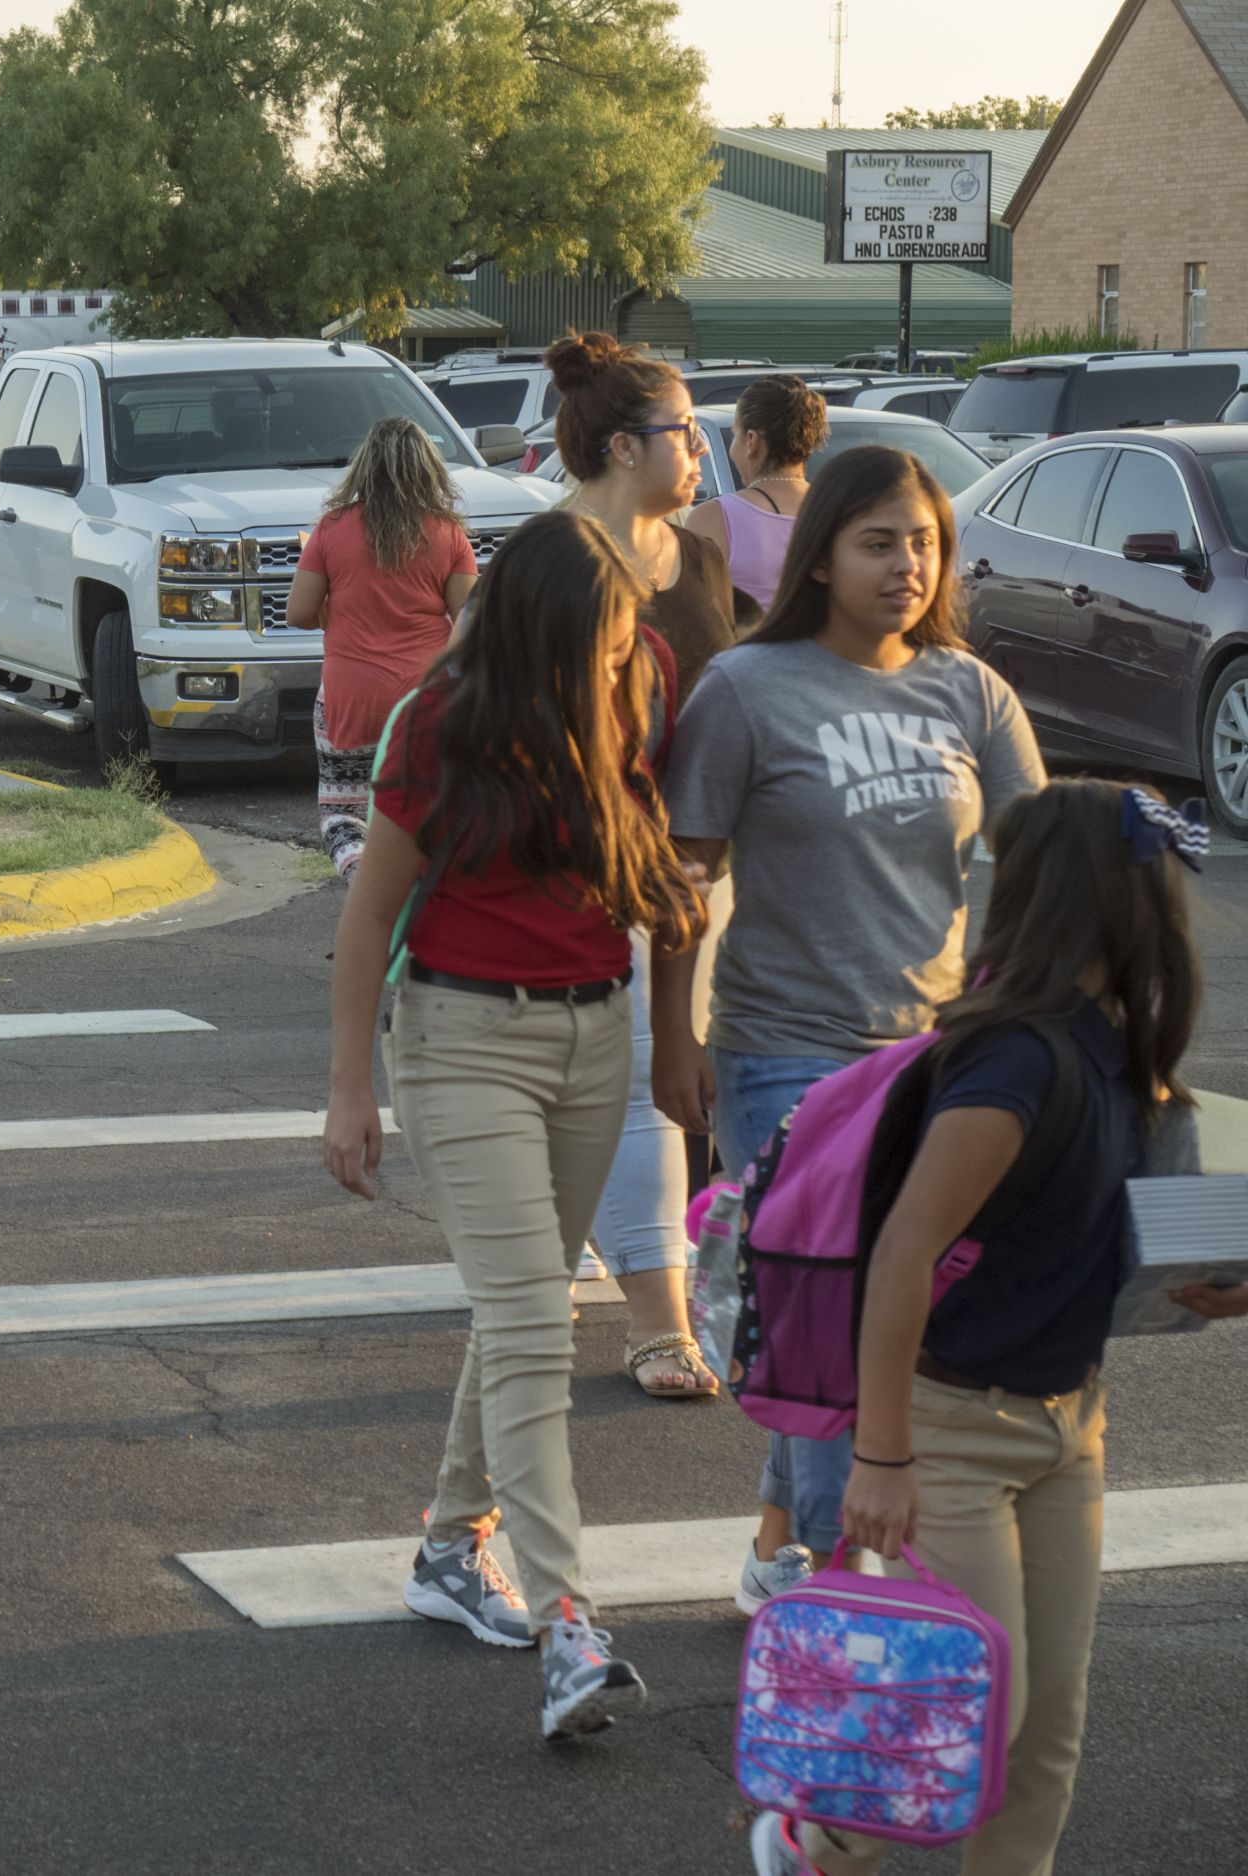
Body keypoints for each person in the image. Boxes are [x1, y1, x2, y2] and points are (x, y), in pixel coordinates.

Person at [750, 777, 1204, 1876]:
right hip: (949, 1427)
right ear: (1109, 897)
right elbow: (904, 1250)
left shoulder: (1112, 1049)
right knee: (972, 1714)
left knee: (1045, 1730)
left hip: (1064, 1421)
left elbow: (1081, 1245)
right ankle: (816, 1838)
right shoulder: (1018, 1061)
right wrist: (882, 1452)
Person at [323, 509, 706, 1738]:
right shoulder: (445, 721)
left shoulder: (639, 675)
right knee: (536, 1316)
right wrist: (347, 1088)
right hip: (458, 1036)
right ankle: (566, 1620)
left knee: (526, 1300)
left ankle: (447, 1544)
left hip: (593, 1029)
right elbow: (367, 914)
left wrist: (669, 1043)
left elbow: (654, 859)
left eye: (621, 646)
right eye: (591, 648)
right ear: (537, 634)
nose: (613, 666)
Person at [651, 445, 1046, 1616]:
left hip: (933, 1060)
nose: (906, 564)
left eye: (922, 541)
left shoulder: (967, 689)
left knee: (851, 1320)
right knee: (835, 1314)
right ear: (817, 555)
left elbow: (1038, 862)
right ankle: (840, 1591)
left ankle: (782, 1537)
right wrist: (674, 1047)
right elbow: (684, 883)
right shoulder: (744, 689)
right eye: (878, 542)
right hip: (784, 1053)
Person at [549, 329, 738, 1398]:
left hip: (694, 871)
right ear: (625, 447)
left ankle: (604, 1256)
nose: (702, 450)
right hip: (584, 871)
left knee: (672, 1079)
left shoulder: (699, 558)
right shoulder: (550, 560)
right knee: (633, 1090)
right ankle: (659, 1326)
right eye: (684, 432)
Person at [285, 417, 478, 878]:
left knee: (344, 815)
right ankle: (422, 894)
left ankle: (361, 879)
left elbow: (297, 613)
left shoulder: (331, 530)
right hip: (425, 697)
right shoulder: (449, 533)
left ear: (364, 467)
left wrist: (338, 605)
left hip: (350, 696)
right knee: (427, 809)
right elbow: (469, 621)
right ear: (428, 469)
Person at [683, 373, 828, 623]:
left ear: (751, 441)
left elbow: (697, 620)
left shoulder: (716, 517)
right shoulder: (836, 510)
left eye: (735, 435)